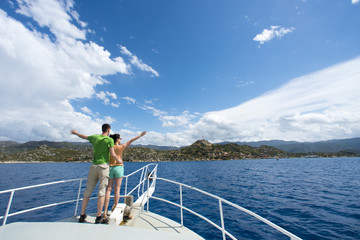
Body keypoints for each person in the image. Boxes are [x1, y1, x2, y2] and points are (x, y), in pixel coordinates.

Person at [70, 123, 122, 224]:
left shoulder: (95, 137)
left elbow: (83, 136)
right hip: (103, 167)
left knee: (87, 191)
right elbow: (112, 153)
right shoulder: (109, 140)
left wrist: (76, 133)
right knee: (102, 191)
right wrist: (119, 160)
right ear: (108, 130)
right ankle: (98, 217)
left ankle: (82, 215)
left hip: (93, 167)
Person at [104, 131, 147, 216]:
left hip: (110, 168)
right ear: (117, 139)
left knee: (108, 189)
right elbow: (131, 141)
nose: (121, 140)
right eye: (120, 138)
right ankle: (115, 208)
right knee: (117, 189)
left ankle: (105, 210)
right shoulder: (120, 147)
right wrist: (140, 135)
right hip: (119, 168)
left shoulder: (110, 148)